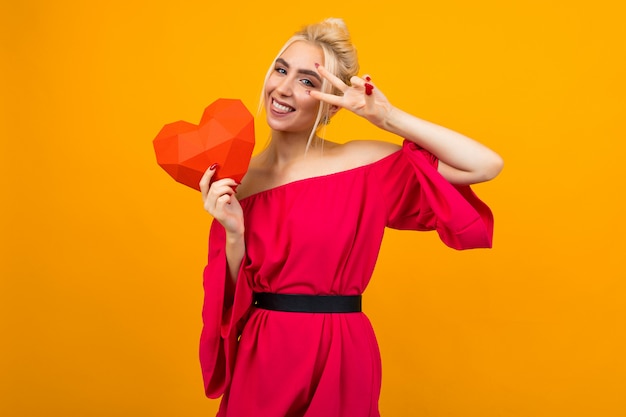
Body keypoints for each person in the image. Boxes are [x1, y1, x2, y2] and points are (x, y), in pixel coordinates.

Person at [198, 17, 503, 417]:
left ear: (330, 103)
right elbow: (229, 301)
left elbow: (485, 165)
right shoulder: (239, 180)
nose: (284, 89)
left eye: (308, 81)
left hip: (341, 350)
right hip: (265, 352)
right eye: (281, 69)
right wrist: (234, 233)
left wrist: (387, 117)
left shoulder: (363, 165)